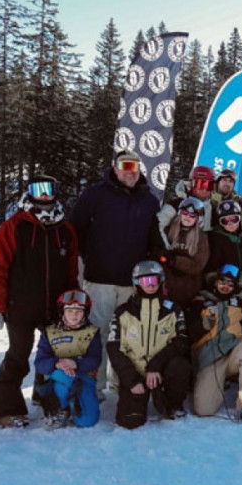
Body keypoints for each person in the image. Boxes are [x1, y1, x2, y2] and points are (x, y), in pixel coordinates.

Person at [0, 175, 79, 428]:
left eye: (49, 189)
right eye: (38, 190)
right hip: (21, 306)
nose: (44, 195)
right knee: (19, 355)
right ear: (29, 193)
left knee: (53, 353)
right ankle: (4, 410)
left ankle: (45, 395)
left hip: (55, 306)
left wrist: (74, 304)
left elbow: (71, 272)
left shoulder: (65, 229)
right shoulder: (15, 225)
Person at [69, 150, 160, 393]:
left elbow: (154, 237)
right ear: (115, 168)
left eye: (135, 166)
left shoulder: (149, 200)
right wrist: (85, 258)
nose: (130, 171)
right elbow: (74, 228)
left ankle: (122, 383)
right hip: (100, 279)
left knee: (128, 335)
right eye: (125, 165)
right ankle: (93, 385)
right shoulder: (96, 194)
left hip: (131, 283)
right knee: (98, 332)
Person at [107, 261, 192, 429]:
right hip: (135, 372)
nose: (151, 285)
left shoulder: (173, 309)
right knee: (129, 421)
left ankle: (173, 403)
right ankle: (138, 396)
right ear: (137, 283)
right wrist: (131, 380)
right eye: (146, 281)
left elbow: (181, 342)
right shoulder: (123, 312)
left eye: (154, 280)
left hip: (161, 370)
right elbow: (114, 348)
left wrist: (156, 365)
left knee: (180, 365)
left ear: (161, 281)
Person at [187, 264, 242, 421]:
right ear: (215, 282)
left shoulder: (239, 304)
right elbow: (189, 333)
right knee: (204, 409)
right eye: (222, 281)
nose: (225, 286)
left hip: (233, 354)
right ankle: (216, 386)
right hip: (209, 358)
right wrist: (202, 326)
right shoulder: (200, 301)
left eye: (230, 284)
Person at [33, 290, 101, 429]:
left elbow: (95, 359)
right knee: (66, 375)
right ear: (62, 312)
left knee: (87, 421)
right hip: (59, 378)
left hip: (84, 378)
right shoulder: (50, 332)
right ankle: (60, 409)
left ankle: (75, 405)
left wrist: (76, 363)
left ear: (85, 312)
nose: (74, 315)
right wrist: (57, 364)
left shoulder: (92, 332)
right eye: (69, 311)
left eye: (79, 311)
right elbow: (40, 363)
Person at [149, 197, 210, 308]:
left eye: (192, 215)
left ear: (198, 219)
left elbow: (198, 265)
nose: (188, 217)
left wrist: (174, 260)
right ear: (179, 213)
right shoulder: (168, 232)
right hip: (167, 291)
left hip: (188, 291)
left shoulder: (201, 238)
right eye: (185, 213)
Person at [206, 200, 242, 298]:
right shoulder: (214, 239)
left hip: (240, 285)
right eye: (225, 221)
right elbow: (210, 265)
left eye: (234, 219)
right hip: (221, 285)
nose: (230, 224)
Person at [157, 166, 217, 239]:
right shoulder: (176, 205)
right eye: (200, 184)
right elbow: (159, 226)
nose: (204, 189)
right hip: (174, 247)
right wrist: (165, 247)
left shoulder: (213, 209)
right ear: (192, 184)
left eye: (209, 186)